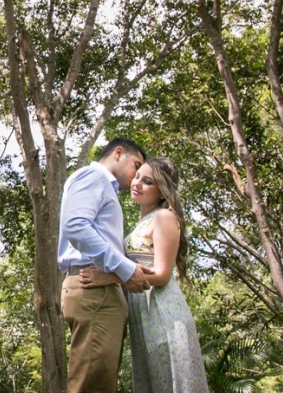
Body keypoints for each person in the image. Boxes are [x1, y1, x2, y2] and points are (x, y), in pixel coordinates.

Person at [79, 157, 208, 392]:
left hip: (162, 311)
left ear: (161, 192)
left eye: (147, 181)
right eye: (137, 176)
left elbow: (162, 275)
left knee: (170, 381)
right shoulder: (142, 222)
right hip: (142, 314)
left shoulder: (164, 217)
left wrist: (111, 277)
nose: (137, 183)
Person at [58, 137, 154, 393]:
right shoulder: (94, 177)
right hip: (93, 291)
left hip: (99, 292)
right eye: (136, 166)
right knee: (91, 385)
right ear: (118, 153)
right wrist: (124, 269)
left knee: (99, 382)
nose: (136, 177)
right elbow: (75, 226)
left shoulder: (104, 187)